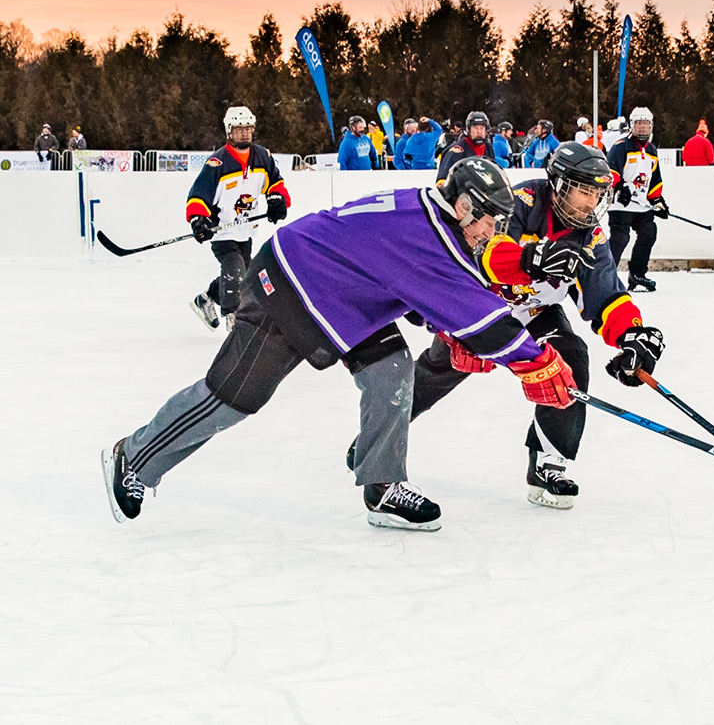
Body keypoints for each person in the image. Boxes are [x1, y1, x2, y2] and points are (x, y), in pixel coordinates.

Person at [102, 158, 576, 531]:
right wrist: (537, 362)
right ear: (465, 207)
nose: (491, 234)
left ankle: (383, 484)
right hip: (291, 283)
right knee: (233, 397)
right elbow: (480, 319)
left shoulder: (430, 215)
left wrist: (452, 328)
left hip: (344, 295)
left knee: (391, 370)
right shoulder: (430, 235)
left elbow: (421, 291)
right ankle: (136, 456)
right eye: (489, 222)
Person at [406, 142, 663, 509]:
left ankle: (548, 464)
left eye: (597, 194)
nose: (591, 203)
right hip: (484, 307)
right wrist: (532, 257)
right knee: (435, 373)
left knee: (571, 358)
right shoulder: (521, 200)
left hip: (536, 311)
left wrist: (631, 334)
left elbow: (605, 293)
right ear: (558, 185)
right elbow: (485, 251)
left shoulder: (590, 234)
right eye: (583, 191)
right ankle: (381, 437)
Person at [185, 106, 291, 332]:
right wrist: (198, 220)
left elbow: (275, 183)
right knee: (234, 271)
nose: (243, 133)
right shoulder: (218, 163)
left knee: (245, 274)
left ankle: (206, 299)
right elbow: (199, 193)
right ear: (228, 132)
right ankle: (234, 321)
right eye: (238, 129)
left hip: (246, 230)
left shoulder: (262, 156)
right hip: (222, 230)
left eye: (247, 128)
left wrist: (277, 201)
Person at [606, 107, 670, 291]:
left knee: (649, 232)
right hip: (621, 205)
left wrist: (658, 201)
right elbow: (611, 171)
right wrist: (619, 188)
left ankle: (637, 274)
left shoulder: (652, 150)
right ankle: (605, 276)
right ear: (632, 125)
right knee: (620, 238)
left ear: (651, 126)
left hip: (642, 206)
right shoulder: (620, 147)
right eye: (638, 124)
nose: (642, 128)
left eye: (645, 124)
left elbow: (654, 179)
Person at [437, 112, 492, 182]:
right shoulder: (457, 149)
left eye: (482, 128)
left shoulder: (488, 148)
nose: (479, 131)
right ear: (469, 129)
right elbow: (443, 179)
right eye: (475, 128)